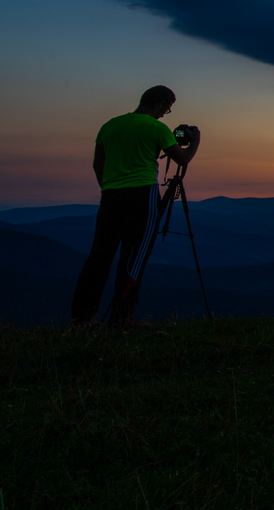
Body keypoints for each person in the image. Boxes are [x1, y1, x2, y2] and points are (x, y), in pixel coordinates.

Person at [70, 85, 200, 328]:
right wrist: (196, 142)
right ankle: (122, 317)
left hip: (110, 196)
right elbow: (182, 159)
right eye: (167, 109)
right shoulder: (156, 128)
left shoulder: (109, 125)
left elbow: (98, 163)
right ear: (161, 103)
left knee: (99, 256)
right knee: (134, 257)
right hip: (142, 196)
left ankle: (82, 318)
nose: (165, 114)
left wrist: (107, 186)